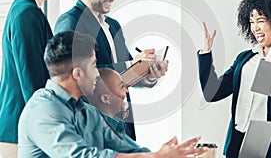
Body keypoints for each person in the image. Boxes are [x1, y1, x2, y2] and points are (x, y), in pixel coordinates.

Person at [18, 31, 206, 157]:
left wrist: (160, 154)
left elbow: (122, 145)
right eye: (93, 66)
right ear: (77, 74)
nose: (97, 73)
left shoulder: (85, 110)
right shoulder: (43, 110)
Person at [54, 0, 168, 140]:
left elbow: (126, 74)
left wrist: (149, 74)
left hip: (121, 122)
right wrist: (130, 63)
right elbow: (73, 77)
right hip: (93, 125)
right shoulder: (70, 22)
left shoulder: (113, 26)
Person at [198, 0, 271, 158]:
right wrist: (205, 54)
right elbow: (212, 92)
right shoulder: (245, 59)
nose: (255, 27)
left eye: (261, 20)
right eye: (251, 21)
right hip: (240, 139)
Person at [0, 0, 59, 146]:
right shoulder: (27, 14)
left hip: (22, 127)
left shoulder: (24, 10)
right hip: (21, 131)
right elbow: (33, 83)